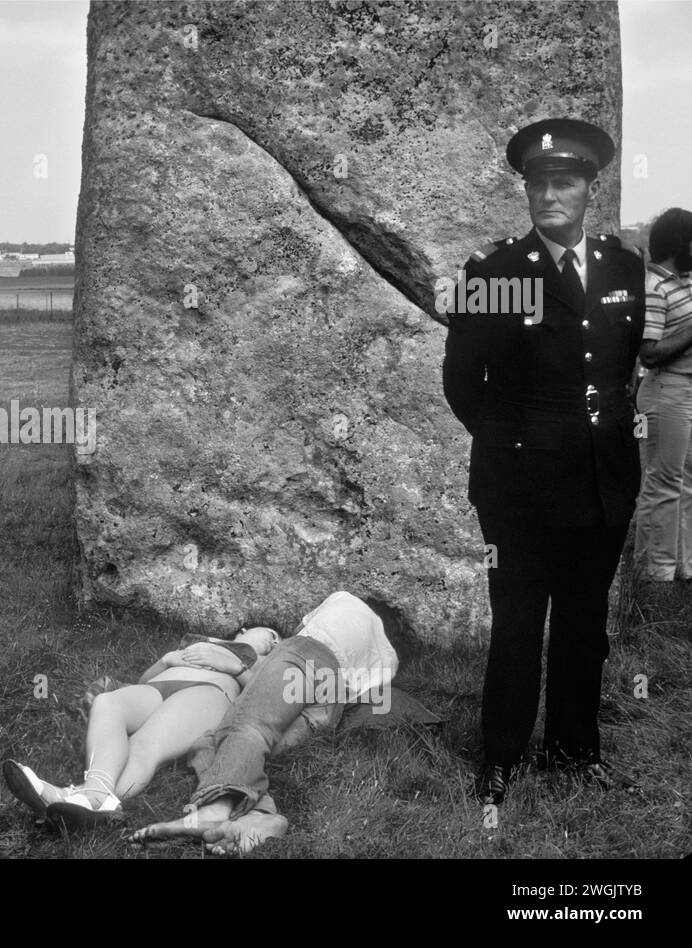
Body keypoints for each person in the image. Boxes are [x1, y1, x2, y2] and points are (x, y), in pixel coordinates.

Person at [442, 118, 646, 805]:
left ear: (592, 187)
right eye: (538, 183)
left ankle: (573, 748)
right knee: (520, 624)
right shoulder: (494, 272)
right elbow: (465, 383)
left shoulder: (624, 267)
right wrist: (516, 447)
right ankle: (500, 754)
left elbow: (620, 369)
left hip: (602, 479)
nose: (549, 195)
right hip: (520, 488)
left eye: (564, 182)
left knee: (585, 625)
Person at [130, 591, 399, 854]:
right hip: (330, 705)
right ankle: (261, 816)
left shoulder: (342, 600)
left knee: (248, 728)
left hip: (305, 655)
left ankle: (216, 809)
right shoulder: (388, 659)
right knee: (209, 742)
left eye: (274, 638)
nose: (272, 642)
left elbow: (300, 631)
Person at [3, 626, 286, 830]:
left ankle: (77, 796)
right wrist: (165, 661)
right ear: (244, 630)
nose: (274, 642)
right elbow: (144, 679)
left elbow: (264, 699)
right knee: (107, 703)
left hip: (208, 693)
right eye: (271, 634)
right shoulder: (199, 639)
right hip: (157, 688)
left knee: (144, 744)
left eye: (278, 642)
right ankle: (95, 798)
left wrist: (235, 667)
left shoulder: (264, 661)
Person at [634, 207, 692, 584]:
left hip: (685, 390)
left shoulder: (684, 280)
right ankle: (652, 576)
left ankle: (682, 568)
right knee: (662, 483)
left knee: (684, 482)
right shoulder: (653, 287)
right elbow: (648, 353)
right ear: (682, 244)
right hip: (664, 390)